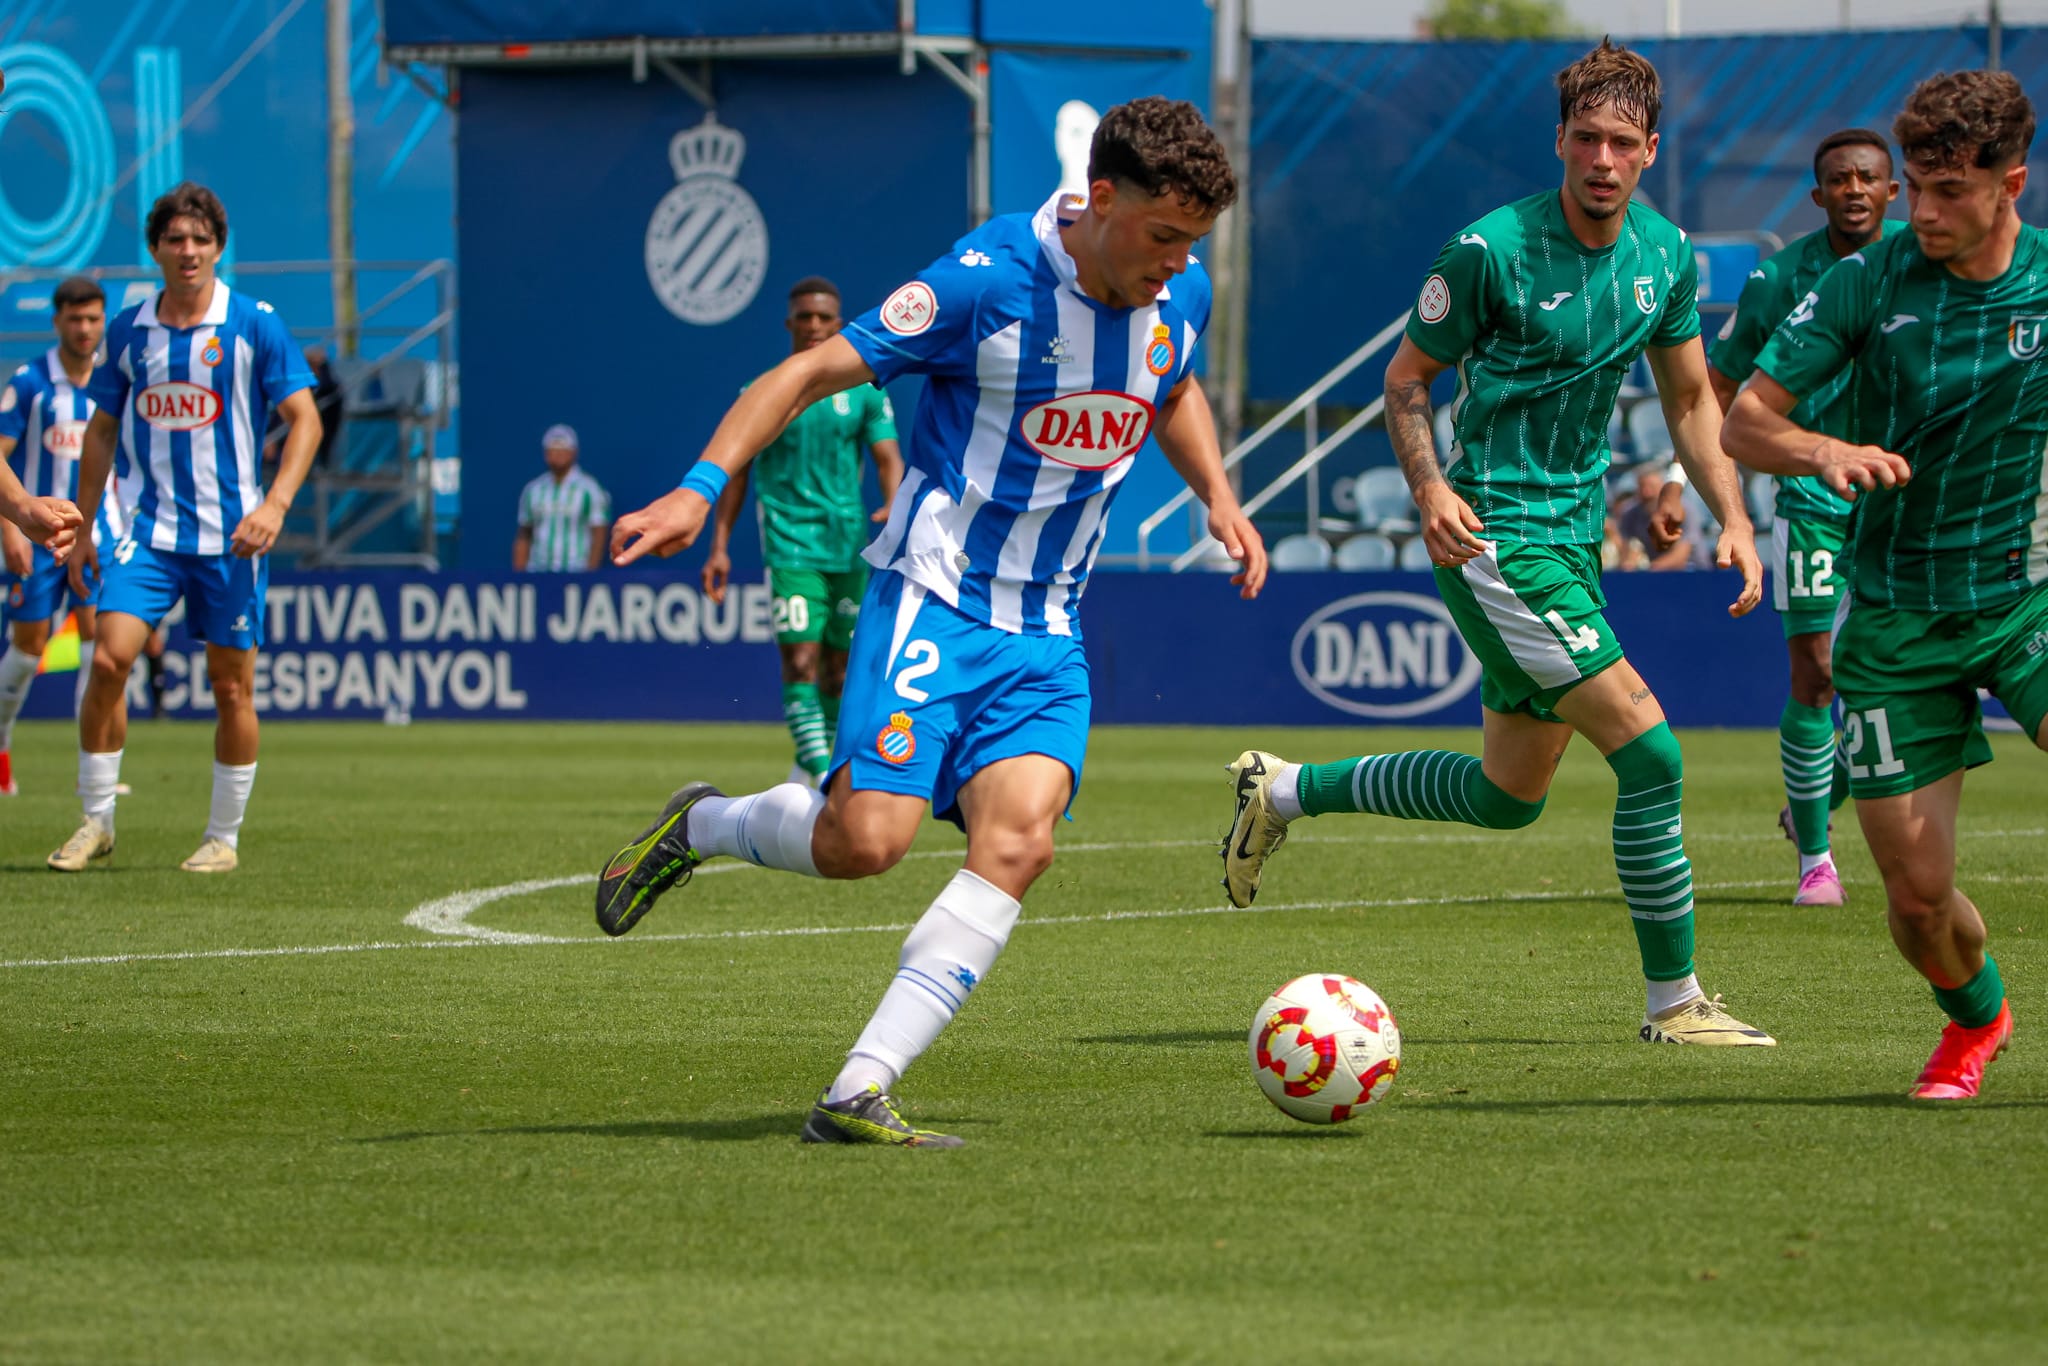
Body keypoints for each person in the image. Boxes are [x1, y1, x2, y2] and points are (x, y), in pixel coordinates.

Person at [597, 97, 1264, 1146]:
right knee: (866, 842)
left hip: (1047, 634)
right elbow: (807, 371)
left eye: (1195, 242)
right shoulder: (984, 281)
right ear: (1099, 201)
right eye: (1164, 236)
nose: (1180, 264)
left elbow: (1169, 382)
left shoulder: (1173, 290)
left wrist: (1216, 493)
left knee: (1019, 842)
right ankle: (704, 823)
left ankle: (856, 1089)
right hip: (935, 601)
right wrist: (696, 486)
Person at [1223, 40, 1774, 1047]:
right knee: (1649, 753)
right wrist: (1428, 489)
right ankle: (1674, 1003)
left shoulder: (1664, 255)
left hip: (1573, 538)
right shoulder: (1489, 251)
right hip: (1491, 535)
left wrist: (1726, 514)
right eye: (1585, 140)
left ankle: (1285, 790)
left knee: (1505, 797)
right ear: (1558, 142)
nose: (1600, 159)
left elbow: (1690, 396)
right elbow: (1402, 380)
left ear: (1648, 150)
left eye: (1620, 142)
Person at [1724, 70, 2046, 1099]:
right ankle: (1976, 1018)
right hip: (1899, 611)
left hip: (2028, 594)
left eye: (1951, 190)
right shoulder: (1868, 282)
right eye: (1917, 187)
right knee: (1914, 901)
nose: (1923, 211)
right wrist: (1818, 450)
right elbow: (1744, 421)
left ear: (2012, 183)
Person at [50, 182, 322, 874]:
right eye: (176, 239)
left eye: (201, 239)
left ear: (219, 247)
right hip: (146, 533)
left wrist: (276, 505)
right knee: (108, 660)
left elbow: (305, 421)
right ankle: (96, 821)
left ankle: (222, 837)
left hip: (232, 538)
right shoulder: (130, 330)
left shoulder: (254, 323)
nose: (189, 251)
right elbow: (102, 431)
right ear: (156, 249)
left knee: (231, 688)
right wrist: (83, 530)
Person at [1708, 128, 1903, 908]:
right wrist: (1669, 479)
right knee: (1817, 673)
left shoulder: (1922, 271)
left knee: (1892, 678)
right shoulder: (1778, 279)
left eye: (1869, 177)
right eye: (1839, 179)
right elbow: (1715, 391)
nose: (1854, 188)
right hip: (1813, 498)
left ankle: (1816, 799)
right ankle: (1817, 861)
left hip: (1902, 497)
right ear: (1816, 196)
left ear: (1894, 192)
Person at [701, 276, 904, 786]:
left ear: (838, 323)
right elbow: (737, 472)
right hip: (791, 546)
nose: (814, 326)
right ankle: (824, 775)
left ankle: (815, 762)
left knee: (839, 670)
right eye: (805, 317)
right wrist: (720, 546)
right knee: (802, 656)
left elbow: (888, 460)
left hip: (849, 546)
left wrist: (894, 505)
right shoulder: (762, 391)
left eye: (824, 317)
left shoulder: (864, 393)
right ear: (790, 323)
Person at [0, 277, 131, 795]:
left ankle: (96, 773)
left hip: (98, 538)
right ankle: (2, 742)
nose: (84, 329)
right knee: (29, 650)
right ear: (57, 322)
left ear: (103, 322)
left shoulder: (115, 382)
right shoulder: (31, 382)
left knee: (105, 650)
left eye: (93, 319)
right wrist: (9, 527)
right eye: (74, 319)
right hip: (36, 537)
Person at [513, 425, 609, 571]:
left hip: (576, 571)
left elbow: (599, 534)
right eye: (553, 450)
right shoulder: (533, 490)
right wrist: (519, 576)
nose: (557, 455)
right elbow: (524, 534)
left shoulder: (590, 489)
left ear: (573, 452)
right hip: (538, 572)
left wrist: (590, 574)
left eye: (563, 450)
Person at [1611, 464, 1691, 569]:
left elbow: (1682, 553)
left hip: (1691, 574)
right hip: (1650, 575)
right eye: (1642, 487)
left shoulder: (1682, 510)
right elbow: (1626, 548)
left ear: (1662, 487)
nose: (1647, 492)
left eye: (1651, 487)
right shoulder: (1629, 513)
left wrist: (1651, 569)